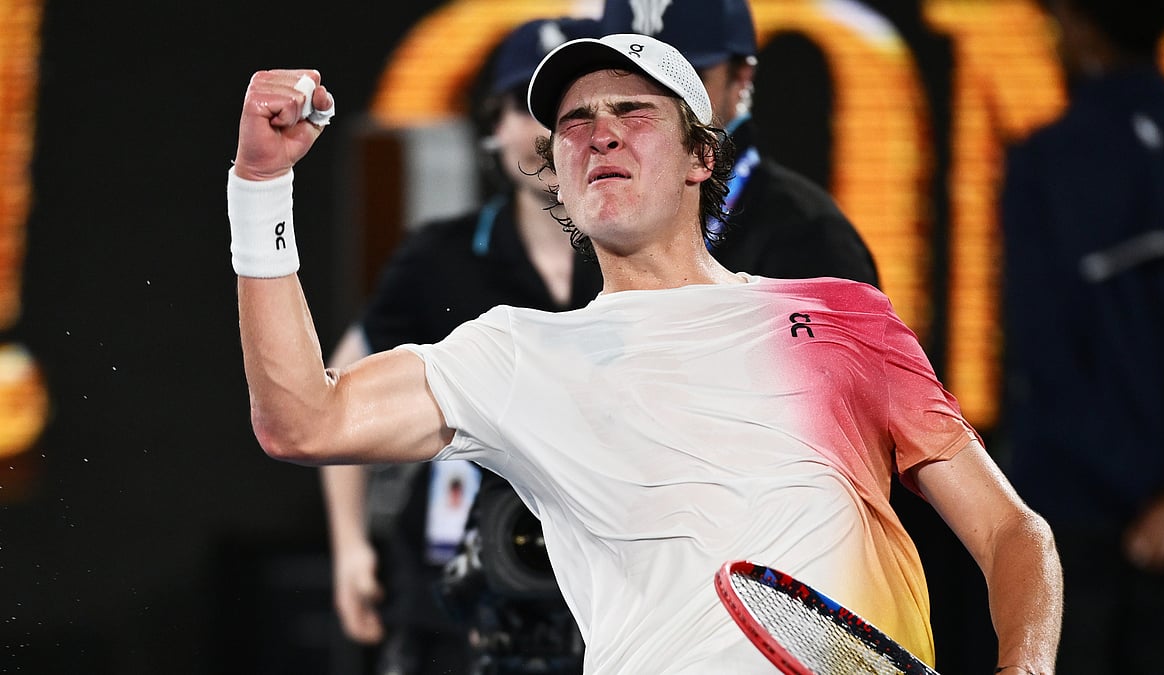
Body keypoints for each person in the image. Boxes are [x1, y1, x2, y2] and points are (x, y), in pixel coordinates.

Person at [228, 33, 1062, 673]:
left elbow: (1013, 535)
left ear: (703, 157)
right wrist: (260, 185)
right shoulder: (516, 353)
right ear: (553, 172)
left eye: (634, 113)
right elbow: (304, 420)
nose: (600, 136)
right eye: (575, 124)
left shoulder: (842, 316)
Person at [317, 17, 604, 675]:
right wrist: (350, 545)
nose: (547, 132)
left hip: (610, 595)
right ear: (493, 127)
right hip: (454, 599)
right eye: (525, 108)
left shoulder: (647, 257)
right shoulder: (439, 257)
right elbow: (337, 390)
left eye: (570, 112)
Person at [1000, 1, 1164, 673]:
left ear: (1083, 29)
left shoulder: (1044, 164)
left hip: (1072, 526)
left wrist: (1143, 492)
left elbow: (1044, 360)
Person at [599, 0, 880, 288]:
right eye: (630, 82)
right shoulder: (598, 218)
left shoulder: (811, 238)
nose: (654, 106)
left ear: (742, 77)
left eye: (686, 79)